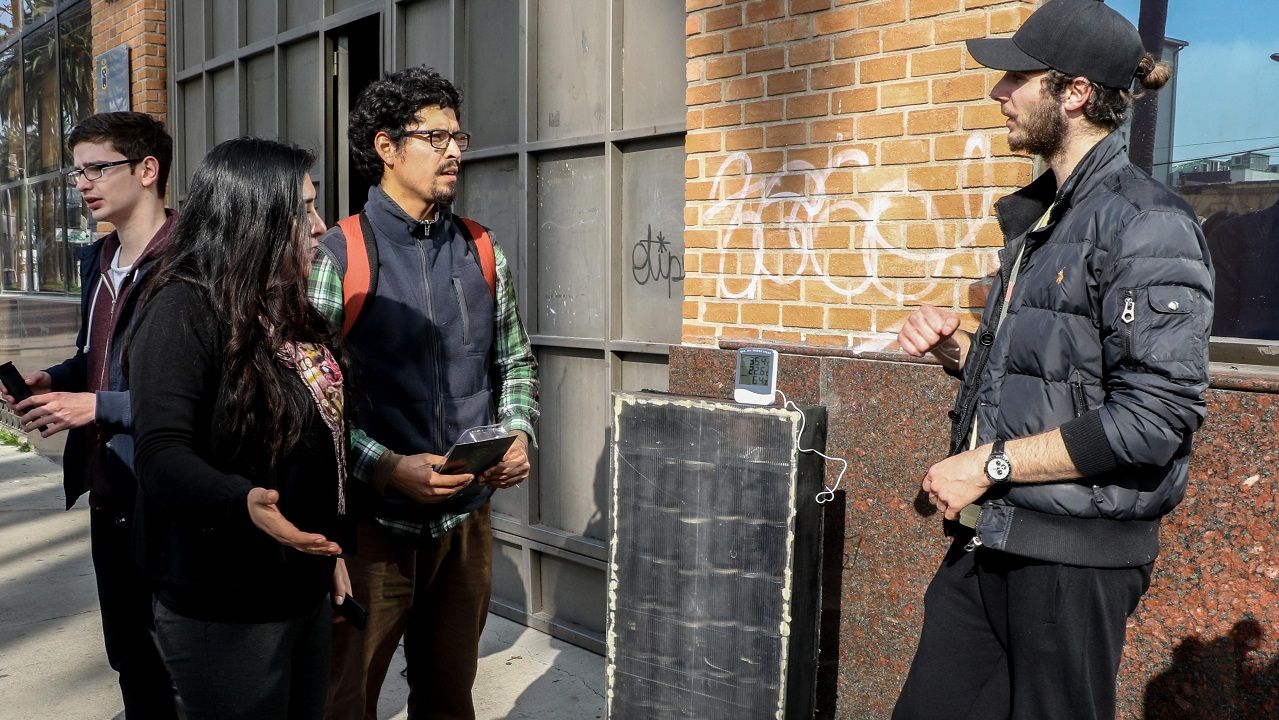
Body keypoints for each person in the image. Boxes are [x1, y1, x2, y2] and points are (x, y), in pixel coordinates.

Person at [892, 1, 1213, 718]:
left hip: (1073, 564)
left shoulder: (1147, 224)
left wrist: (986, 465)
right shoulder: (1046, 218)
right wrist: (958, 348)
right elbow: (1053, 377)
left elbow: (1155, 419)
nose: (998, 91)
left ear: (1074, 92)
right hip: (993, 542)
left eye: (1017, 77)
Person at [309, 66, 539, 720]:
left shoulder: (481, 248)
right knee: (345, 701)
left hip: (465, 523)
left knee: (448, 697)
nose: (454, 151)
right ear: (386, 147)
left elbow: (516, 360)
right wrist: (385, 466)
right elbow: (310, 401)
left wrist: (518, 432)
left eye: (457, 136)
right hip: (372, 531)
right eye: (435, 138)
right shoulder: (338, 254)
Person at [128, 137, 354, 720]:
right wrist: (242, 502)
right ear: (255, 219)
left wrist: (327, 548)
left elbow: (321, 442)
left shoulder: (285, 306)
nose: (320, 226)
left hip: (300, 584)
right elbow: (161, 455)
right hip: (225, 602)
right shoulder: (182, 309)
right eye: (303, 210)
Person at [0, 111, 180, 719]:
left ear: (148, 170)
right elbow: (94, 356)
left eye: (98, 169)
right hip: (109, 492)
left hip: (170, 497)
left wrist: (98, 405)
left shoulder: (193, 262)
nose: (83, 184)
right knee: (129, 655)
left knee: (178, 664)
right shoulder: (99, 261)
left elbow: (206, 395)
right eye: (78, 172)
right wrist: (53, 381)